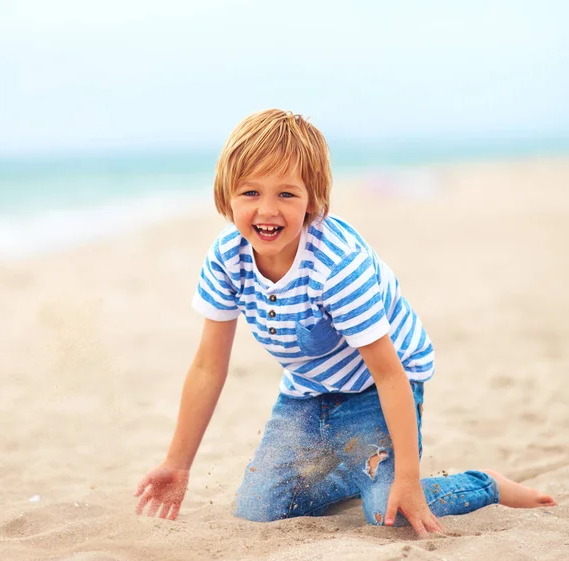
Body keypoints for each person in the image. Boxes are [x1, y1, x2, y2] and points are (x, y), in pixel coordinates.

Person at [134, 109, 557, 537]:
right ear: (226, 197)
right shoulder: (227, 258)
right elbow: (208, 366)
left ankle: (486, 483)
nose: (267, 210)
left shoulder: (335, 266)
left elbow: (389, 373)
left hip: (378, 388)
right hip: (307, 393)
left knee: (386, 514)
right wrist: (177, 463)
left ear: (313, 202)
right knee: (257, 511)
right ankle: (358, 472)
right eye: (250, 193)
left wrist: (407, 479)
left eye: (286, 194)